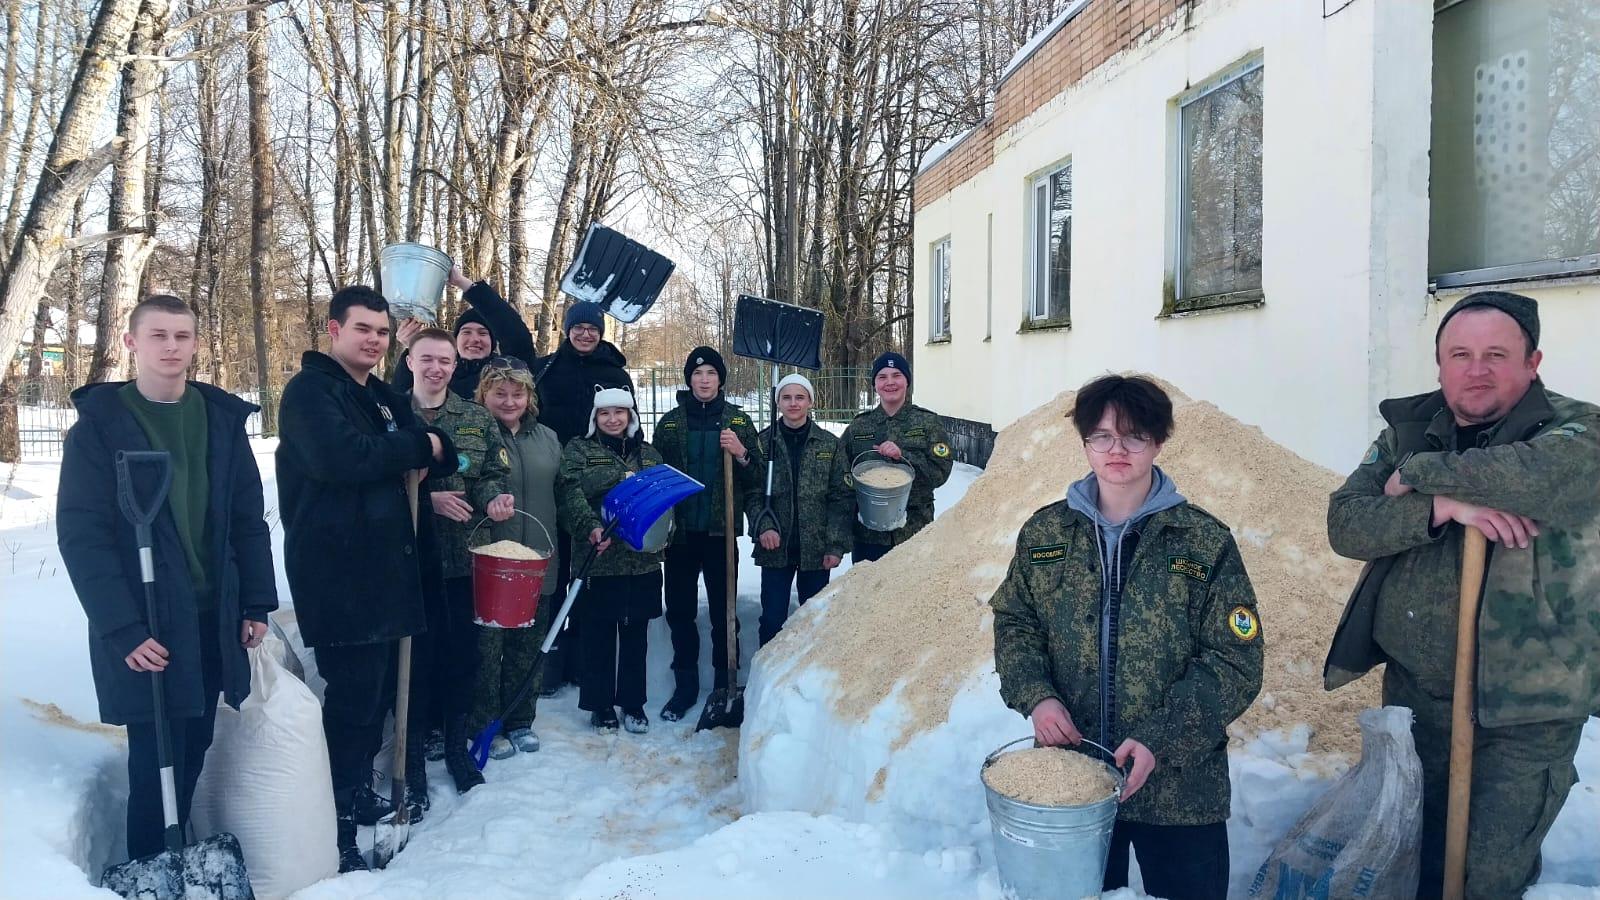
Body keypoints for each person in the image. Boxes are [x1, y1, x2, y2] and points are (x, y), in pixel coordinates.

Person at [1325, 291, 1599, 900]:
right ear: (1440, 364)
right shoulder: (1408, 431)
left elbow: (1533, 477)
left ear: (1533, 363)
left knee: (1488, 875)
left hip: (1527, 712)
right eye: (1460, 354)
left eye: (1496, 354)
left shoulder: (1579, 431)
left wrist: (1419, 477)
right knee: (1409, 861)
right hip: (1419, 695)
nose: (1476, 370)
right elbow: (1347, 523)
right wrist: (1446, 507)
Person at [991, 374, 1263, 900]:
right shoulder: (1046, 535)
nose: (1117, 449)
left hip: (1183, 789)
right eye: (1102, 436)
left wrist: (1161, 738)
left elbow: (1235, 660)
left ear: (1158, 442)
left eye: (1134, 435)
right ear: (1085, 443)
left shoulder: (1205, 541)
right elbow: (1015, 623)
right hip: (1075, 778)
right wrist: (1038, 698)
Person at [57, 294, 278, 865]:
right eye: (158, 335)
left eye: (182, 336)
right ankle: (148, 864)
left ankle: (175, 859)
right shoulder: (100, 429)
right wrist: (121, 629)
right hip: (148, 619)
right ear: (131, 342)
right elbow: (83, 537)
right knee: (155, 750)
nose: (171, 347)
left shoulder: (220, 420)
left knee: (196, 738)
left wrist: (256, 601)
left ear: (197, 343)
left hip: (212, 612)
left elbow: (246, 520)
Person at [276, 285, 457, 872]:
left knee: (376, 695)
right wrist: (408, 446)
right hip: (339, 572)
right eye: (363, 330)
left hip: (387, 571)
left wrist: (415, 445)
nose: (374, 341)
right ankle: (333, 822)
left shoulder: (381, 396)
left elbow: (442, 451)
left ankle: (354, 792)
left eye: (382, 333)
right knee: (352, 702)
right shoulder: (309, 393)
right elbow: (341, 459)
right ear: (333, 330)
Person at [405, 328, 513, 796]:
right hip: (407, 561)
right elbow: (367, 479)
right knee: (414, 661)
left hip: (465, 558)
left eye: (445, 361)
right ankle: (410, 757)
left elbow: (492, 472)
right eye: (427, 359)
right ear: (409, 360)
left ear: (454, 366)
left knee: (462, 657)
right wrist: (427, 500)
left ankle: (454, 745)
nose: (436, 369)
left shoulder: (474, 417)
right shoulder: (386, 414)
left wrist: (493, 501)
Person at [652, 347, 763, 721]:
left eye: (711, 374)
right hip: (680, 536)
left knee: (724, 613)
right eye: (697, 373)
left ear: (720, 380)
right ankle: (684, 687)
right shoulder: (669, 424)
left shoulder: (738, 422)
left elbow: (758, 475)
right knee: (680, 612)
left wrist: (742, 453)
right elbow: (658, 477)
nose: (704, 380)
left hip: (720, 533)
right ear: (688, 379)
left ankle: (723, 683)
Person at [531, 302, 634, 691]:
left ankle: (584, 655)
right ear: (567, 330)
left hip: (600, 483)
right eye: (579, 327)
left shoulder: (614, 373)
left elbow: (628, 425)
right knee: (556, 573)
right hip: (552, 480)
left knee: (591, 572)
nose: (586, 334)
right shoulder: (546, 368)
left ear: (601, 332)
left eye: (593, 328)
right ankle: (553, 657)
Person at [555, 387, 666, 734]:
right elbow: (569, 492)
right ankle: (600, 704)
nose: (613, 419)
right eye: (605, 414)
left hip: (641, 562)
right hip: (598, 561)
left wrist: (664, 536)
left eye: (620, 412)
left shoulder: (648, 455)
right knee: (598, 634)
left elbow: (662, 503)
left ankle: (633, 703)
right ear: (595, 418)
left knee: (635, 636)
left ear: (631, 416)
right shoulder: (579, 450)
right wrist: (589, 526)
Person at [468, 356, 564, 758]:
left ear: (529, 396)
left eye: (517, 393)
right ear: (484, 394)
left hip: (540, 562)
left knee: (528, 648)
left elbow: (565, 490)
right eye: (499, 393)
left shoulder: (547, 438)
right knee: (487, 652)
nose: (509, 401)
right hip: (493, 564)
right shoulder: (474, 435)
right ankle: (485, 723)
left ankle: (520, 719)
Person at [749, 373, 852, 645]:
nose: (793, 403)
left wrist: (835, 545)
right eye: (786, 397)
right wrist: (764, 526)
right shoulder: (763, 443)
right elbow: (752, 492)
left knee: (813, 619)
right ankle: (767, 682)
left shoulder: (829, 444)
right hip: (775, 550)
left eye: (799, 397)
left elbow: (841, 498)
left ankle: (807, 679)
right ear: (778, 403)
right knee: (772, 619)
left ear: (810, 402)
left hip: (816, 550)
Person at [836, 352, 953, 563]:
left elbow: (941, 472)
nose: (890, 382)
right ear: (875, 385)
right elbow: (841, 472)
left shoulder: (927, 423)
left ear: (907, 381)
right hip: (868, 536)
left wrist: (904, 457)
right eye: (882, 377)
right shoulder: (859, 426)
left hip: (914, 533)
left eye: (896, 375)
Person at [392, 267, 535, 399]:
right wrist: (413, 348)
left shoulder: (506, 371)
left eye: (483, 333)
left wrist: (461, 282)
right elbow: (400, 398)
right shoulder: (439, 372)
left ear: (493, 342)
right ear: (455, 341)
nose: (474, 339)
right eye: (466, 332)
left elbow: (518, 339)